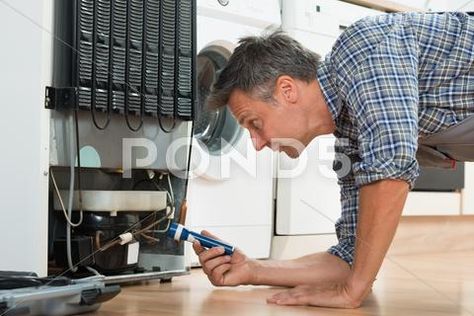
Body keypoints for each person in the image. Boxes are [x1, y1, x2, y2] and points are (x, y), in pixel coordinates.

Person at [192, 12, 474, 309]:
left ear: (286, 90)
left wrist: (352, 291)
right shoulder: (350, 137)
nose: (257, 143)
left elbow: (392, 161)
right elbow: (351, 257)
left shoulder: (363, 47)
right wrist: (253, 269)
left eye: (255, 123)